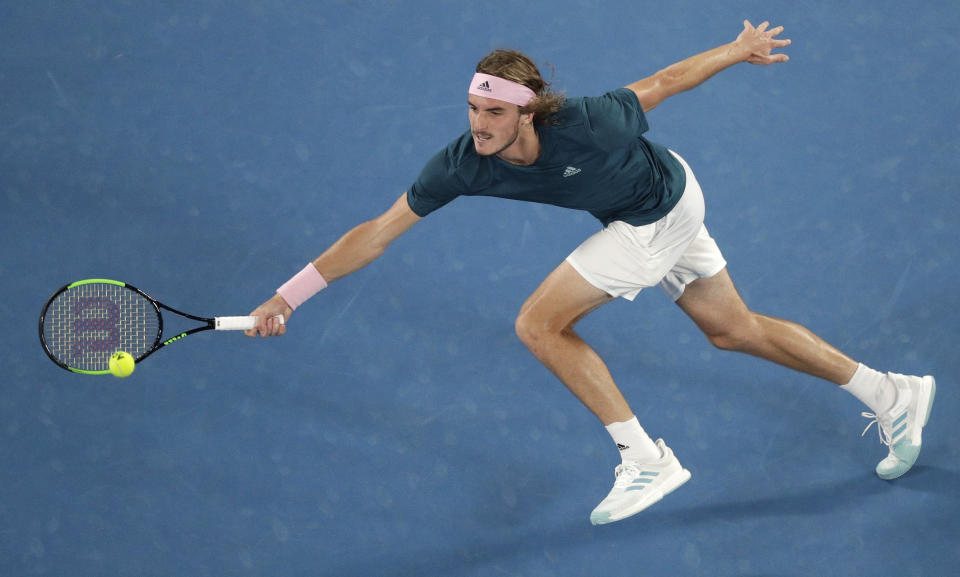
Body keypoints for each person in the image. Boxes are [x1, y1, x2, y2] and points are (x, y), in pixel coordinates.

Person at [246, 20, 936, 525]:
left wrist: (738, 48)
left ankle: (645, 459)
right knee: (733, 329)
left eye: (494, 112)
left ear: (529, 111)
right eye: (473, 108)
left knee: (537, 323)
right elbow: (376, 232)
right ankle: (891, 393)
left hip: (659, 213)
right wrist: (288, 295)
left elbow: (663, 83)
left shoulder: (590, 123)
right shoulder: (461, 162)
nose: (479, 124)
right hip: (653, 207)